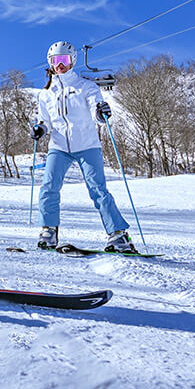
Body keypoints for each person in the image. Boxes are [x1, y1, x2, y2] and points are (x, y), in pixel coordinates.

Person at [32, 41, 136, 253]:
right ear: (50, 63)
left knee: (98, 189)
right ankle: (49, 230)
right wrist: (40, 129)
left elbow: (95, 109)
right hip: (59, 147)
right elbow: (45, 120)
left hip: (87, 145)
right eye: (55, 60)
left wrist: (101, 112)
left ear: (72, 61)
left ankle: (118, 235)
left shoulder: (86, 87)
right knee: (49, 188)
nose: (60, 65)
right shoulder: (46, 94)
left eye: (64, 60)